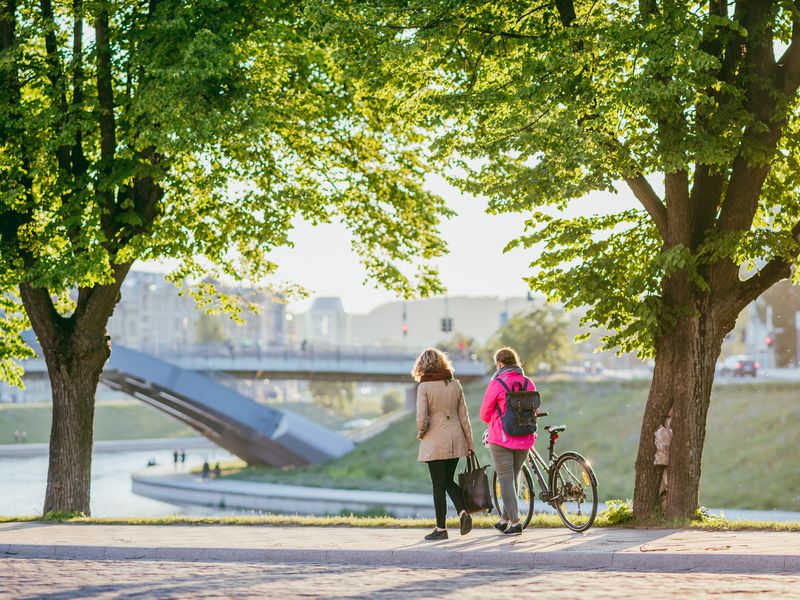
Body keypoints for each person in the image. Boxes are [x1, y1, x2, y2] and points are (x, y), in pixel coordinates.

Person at [413, 347, 475, 541]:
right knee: (448, 480)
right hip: (456, 437)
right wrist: (469, 442)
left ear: (422, 365)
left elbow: (422, 417)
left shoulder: (424, 387)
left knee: (438, 484)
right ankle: (463, 513)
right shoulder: (455, 384)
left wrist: (421, 432)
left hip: (435, 439)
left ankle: (441, 529)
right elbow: (464, 417)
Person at [480, 347, 537, 536]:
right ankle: (504, 520)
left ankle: (515, 522)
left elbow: (484, 413)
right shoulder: (528, 382)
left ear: (499, 363)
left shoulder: (497, 383)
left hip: (502, 438)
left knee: (505, 480)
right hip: (525, 437)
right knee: (512, 479)